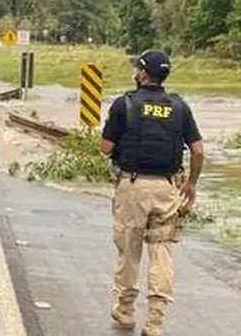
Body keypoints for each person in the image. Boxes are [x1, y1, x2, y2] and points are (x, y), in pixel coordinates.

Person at [100, 49, 204, 336]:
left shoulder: (125, 104)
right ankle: (155, 320)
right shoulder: (179, 107)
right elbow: (197, 151)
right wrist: (191, 184)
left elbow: (106, 147)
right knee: (161, 251)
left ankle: (125, 310)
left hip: (133, 187)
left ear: (143, 74)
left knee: (129, 250)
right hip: (168, 189)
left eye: (138, 69)